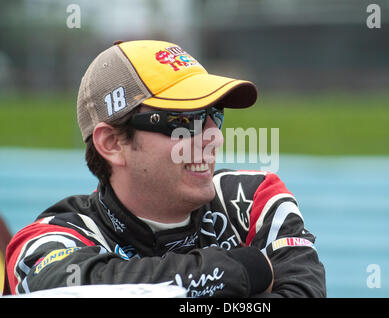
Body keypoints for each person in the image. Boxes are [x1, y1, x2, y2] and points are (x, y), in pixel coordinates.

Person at [5, 40, 326, 297]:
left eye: (215, 113)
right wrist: (245, 270)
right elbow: (71, 287)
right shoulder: (51, 238)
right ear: (112, 143)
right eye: (184, 120)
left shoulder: (252, 200)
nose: (214, 135)